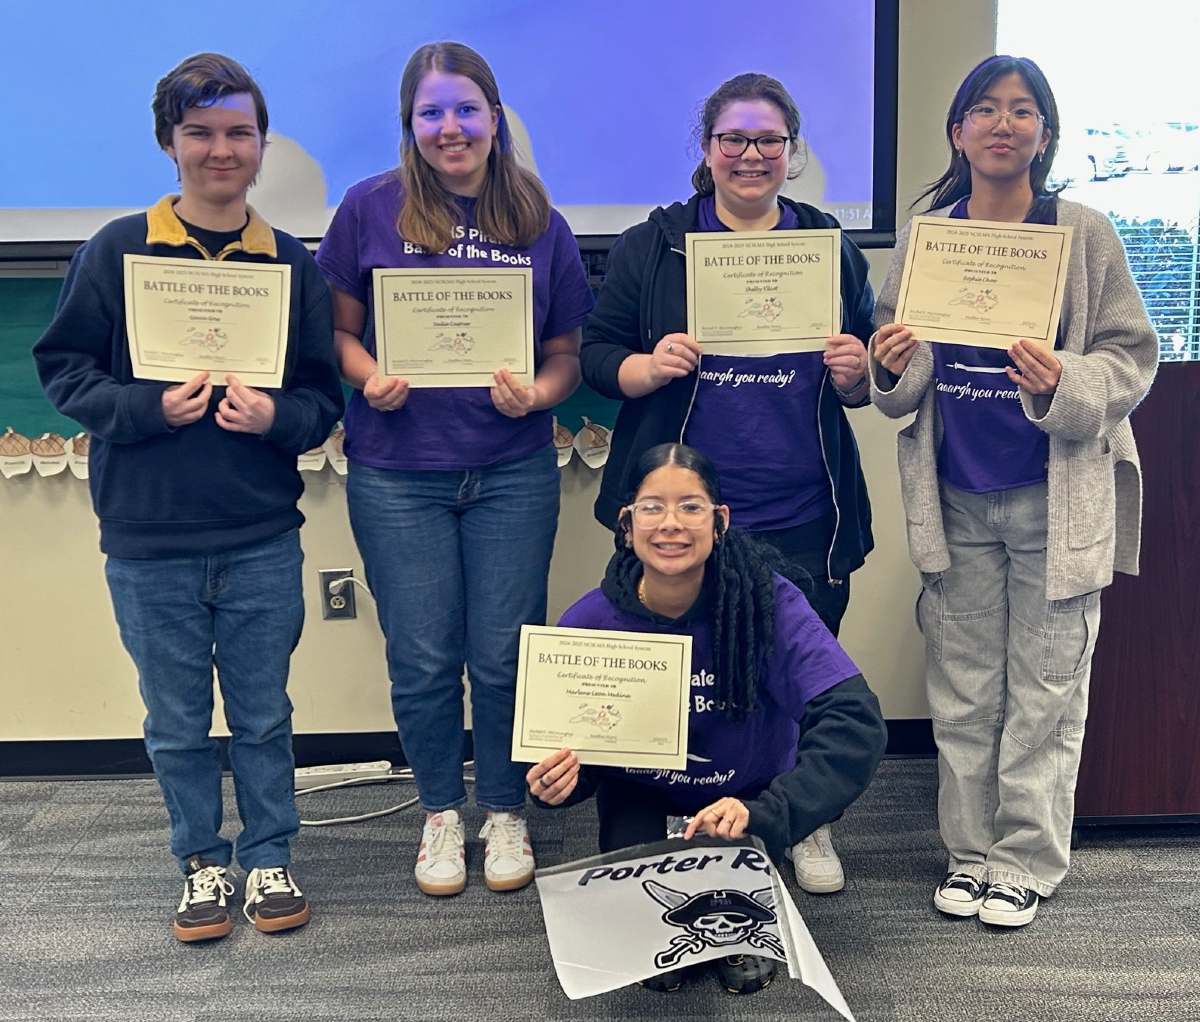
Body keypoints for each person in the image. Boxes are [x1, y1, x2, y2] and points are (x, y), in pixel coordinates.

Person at [33, 53, 345, 942]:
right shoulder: (116, 249)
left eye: (238, 132)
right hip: (147, 535)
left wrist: (274, 416)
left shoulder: (290, 265)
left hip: (258, 533)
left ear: (261, 145)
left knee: (264, 713)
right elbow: (63, 369)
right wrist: (146, 407)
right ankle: (202, 864)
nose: (221, 150)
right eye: (201, 133)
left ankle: (271, 854)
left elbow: (323, 400)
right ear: (170, 142)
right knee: (174, 722)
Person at [870, 55, 1158, 928]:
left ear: (1044, 132)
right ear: (958, 132)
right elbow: (898, 364)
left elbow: (1128, 356)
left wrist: (1061, 376)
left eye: (1022, 111)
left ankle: (1023, 861)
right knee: (962, 691)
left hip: (1052, 497)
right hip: (955, 499)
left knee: (1045, 688)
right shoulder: (929, 238)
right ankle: (967, 853)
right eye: (985, 110)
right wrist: (891, 364)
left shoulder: (1085, 233)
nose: (1003, 124)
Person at [580, 72, 875, 892]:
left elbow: (865, 366)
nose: (751, 155)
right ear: (707, 151)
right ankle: (678, 810)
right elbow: (599, 354)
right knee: (680, 677)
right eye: (733, 139)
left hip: (803, 511)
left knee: (793, 680)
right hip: (685, 510)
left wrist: (857, 372)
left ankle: (800, 821)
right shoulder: (657, 244)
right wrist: (645, 366)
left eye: (769, 141)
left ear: (792, 152)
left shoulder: (826, 242)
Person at [315, 42, 593, 897]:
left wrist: (537, 396)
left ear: (495, 117)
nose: (450, 128)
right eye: (431, 112)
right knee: (424, 657)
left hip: (511, 469)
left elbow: (565, 356)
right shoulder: (368, 208)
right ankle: (442, 810)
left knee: (506, 655)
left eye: (466, 109)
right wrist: (371, 379)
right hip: (398, 473)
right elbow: (338, 336)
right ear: (411, 124)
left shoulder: (538, 217)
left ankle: (504, 807)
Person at [527, 443, 886, 994]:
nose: (671, 524)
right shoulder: (591, 621)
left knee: (731, 927)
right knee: (654, 947)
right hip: (642, 790)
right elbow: (578, 752)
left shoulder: (767, 604)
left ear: (719, 521)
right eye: (652, 507)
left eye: (690, 507)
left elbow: (855, 723)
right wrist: (561, 783)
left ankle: (750, 875)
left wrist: (772, 812)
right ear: (626, 524)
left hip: (746, 791)